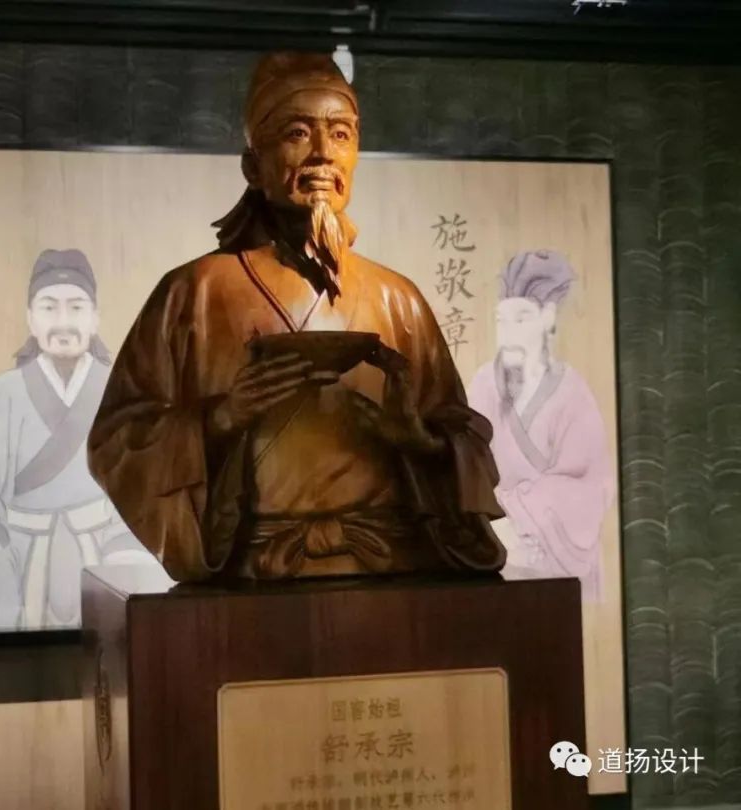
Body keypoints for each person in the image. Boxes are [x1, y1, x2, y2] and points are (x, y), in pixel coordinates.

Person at [88, 52, 507, 582]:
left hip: (387, 566)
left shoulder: (398, 298)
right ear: (253, 166)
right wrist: (220, 419)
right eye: (297, 134)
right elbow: (117, 441)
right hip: (253, 568)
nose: (323, 154)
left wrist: (420, 440)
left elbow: (461, 434)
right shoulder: (192, 292)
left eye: (341, 134)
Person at [0, 249, 154, 629]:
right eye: (49, 307)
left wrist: (124, 561)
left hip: (107, 559)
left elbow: (145, 493)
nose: (63, 322)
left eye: (76, 307)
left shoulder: (129, 396)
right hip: (18, 561)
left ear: (94, 318)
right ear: (31, 319)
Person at [468, 250, 614, 601]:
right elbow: (465, 464)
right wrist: (495, 527)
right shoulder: (484, 384)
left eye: (521, 318)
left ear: (547, 317)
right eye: (501, 320)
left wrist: (522, 517)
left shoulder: (572, 393)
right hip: (497, 547)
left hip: (557, 557)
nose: (508, 332)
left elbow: (591, 486)